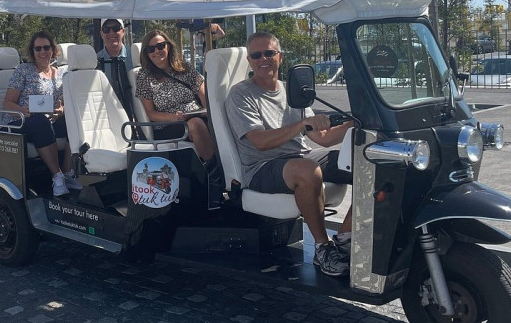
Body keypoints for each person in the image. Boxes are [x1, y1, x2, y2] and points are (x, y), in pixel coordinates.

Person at [225, 32, 354, 277]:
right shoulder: (240, 95)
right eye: (256, 55)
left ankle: (345, 237)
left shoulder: (291, 91)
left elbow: (323, 138)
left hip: (301, 157)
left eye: (269, 53)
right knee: (307, 170)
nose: (263, 59)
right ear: (250, 61)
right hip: (262, 166)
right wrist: (301, 125)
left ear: (280, 57)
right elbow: (260, 142)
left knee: (368, 161)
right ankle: (322, 248)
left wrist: (353, 124)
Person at [3, 30, 82, 197]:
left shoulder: (60, 74)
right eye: (37, 48)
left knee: (73, 120)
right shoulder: (23, 70)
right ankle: (57, 176)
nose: (42, 52)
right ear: (32, 52)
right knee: (40, 122)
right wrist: (22, 110)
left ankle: (68, 172)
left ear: (53, 50)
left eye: (46, 47)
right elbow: (8, 103)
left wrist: (61, 111)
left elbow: (63, 103)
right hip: (21, 120)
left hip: (47, 121)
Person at [135, 29, 216, 163]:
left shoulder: (185, 68)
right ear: (146, 53)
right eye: (151, 49)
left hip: (197, 115)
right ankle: (215, 170)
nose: (156, 51)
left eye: (160, 46)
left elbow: (205, 97)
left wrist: (210, 113)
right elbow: (150, 113)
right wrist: (175, 117)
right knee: (196, 124)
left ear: (168, 46)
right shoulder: (144, 77)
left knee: (218, 122)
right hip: (168, 125)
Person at [96, 18, 134, 118]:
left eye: (116, 28)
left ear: (123, 32)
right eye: (106, 30)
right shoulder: (94, 62)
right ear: (101, 34)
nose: (111, 33)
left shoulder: (135, 57)